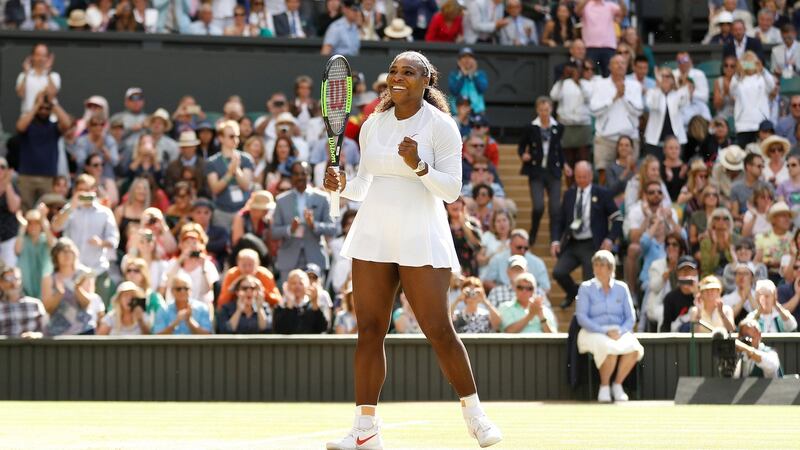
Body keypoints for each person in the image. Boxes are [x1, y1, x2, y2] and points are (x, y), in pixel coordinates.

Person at [323, 51, 502, 449]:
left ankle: (476, 416)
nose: (398, 77)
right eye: (393, 71)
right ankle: (365, 428)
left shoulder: (441, 126)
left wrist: (419, 165)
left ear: (427, 81)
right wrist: (339, 185)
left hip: (421, 233)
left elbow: (452, 190)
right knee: (369, 330)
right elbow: (364, 187)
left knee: (438, 328)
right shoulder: (372, 123)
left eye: (408, 72)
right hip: (373, 233)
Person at [551, 161, 622, 308]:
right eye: (578, 177)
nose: (581, 180)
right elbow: (559, 220)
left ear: (590, 176)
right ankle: (573, 292)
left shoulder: (602, 193)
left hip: (593, 243)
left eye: (584, 177)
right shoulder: (569, 194)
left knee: (590, 280)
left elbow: (617, 218)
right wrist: (555, 241)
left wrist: (610, 239)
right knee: (558, 272)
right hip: (573, 242)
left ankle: (586, 307)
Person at [576, 250, 643, 403]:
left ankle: (617, 384)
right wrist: (604, 331)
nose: (598, 268)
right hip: (592, 331)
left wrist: (620, 331)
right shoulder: (586, 288)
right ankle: (604, 386)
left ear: (611, 269)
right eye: (596, 265)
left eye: (602, 265)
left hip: (618, 331)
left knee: (635, 349)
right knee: (609, 348)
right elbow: (582, 317)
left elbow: (630, 317)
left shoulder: (622, 287)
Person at [51, 175, 119, 305]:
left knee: (98, 312)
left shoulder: (105, 212)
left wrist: (101, 243)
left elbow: (114, 240)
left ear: (94, 191)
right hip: (72, 273)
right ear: (75, 191)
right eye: (81, 190)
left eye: (88, 190)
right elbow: (55, 226)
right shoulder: (70, 209)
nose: (85, 193)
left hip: (97, 271)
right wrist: (72, 205)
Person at [272, 161, 335, 284]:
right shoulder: (281, 200)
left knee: (315, 297)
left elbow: (332, 228)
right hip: (289, 257)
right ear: (291, 177)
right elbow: (274, 232)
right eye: (296, 174)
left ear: (309, 175)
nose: (300, 177)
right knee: (289, 298)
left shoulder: (322, 198)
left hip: (314, 255)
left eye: (303, 173)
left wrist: (313, 224)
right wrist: (290, 229)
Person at [589, 55, 643, 185]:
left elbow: (639, 110)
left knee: (631, 176)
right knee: (603, 175)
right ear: (609, 66)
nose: (620, 66)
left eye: (623, 63)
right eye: (616, 63)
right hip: (605, 138)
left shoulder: (634, 85)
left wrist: (623, 97)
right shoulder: (599, 85)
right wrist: (614, 98)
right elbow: (594, 110)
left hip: (629, 137)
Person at [15, 89, 72, 211]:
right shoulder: (28, 125)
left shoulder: (53, 127)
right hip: (27, 176)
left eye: (47, 108)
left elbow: (67, 123)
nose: (43, 111)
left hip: (48, 176)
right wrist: (36, 105)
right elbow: (20, 126)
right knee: (25, 209)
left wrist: (53, 103)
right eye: (41, 108)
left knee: (48, 209)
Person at [518, 96, 564, 245]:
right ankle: (533, 234)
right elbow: (521, 146)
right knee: (538, 206)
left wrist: (565, 165)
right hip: (536, 171)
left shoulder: (559, 128)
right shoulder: (531, 127)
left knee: (555, 208)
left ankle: (555, 239)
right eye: (542, 109)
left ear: (551, 109)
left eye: (547, 109)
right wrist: (523, 154)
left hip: (553, 171)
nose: (544, 112)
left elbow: (559, 150)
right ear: (537, 110)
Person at [41, 238, 104, 336]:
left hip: (83, 331)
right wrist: (59, 294)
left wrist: (77, 289)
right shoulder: (49, 279)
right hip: (57, 333)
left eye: (69, 251)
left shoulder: (85, 274)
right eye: (62, 251)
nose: (66, 254)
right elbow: (48, 309)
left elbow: (87, 304)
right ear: (55, 255)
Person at [205, 120, 255, 227]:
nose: (235, 139)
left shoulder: (246, 159)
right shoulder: (212, 162)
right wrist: (229, 174)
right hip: (222, 211)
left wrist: (236, 170)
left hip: (243, 211)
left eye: (237, 136)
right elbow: (215, 189)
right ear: (221, 138)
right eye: (231, 136)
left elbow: (246, 185)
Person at [549, 62, 592, 177]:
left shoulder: (586, 84)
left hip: (582, 125)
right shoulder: (563, 83)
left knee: (583, 159)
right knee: (568, 159)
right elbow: (553, 96)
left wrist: (579, 84)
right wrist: (562, 80)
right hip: (566, 125)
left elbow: (589, 98)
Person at [730, 51, 775, 147]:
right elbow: (732, 91)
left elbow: (771, 85)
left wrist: (762, 69)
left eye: (752, 62)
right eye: (746, 63)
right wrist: (738, 72)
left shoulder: (762, 78)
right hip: (743, 123)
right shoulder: (738, 79)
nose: (749, 66)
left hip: (761, 122)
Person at [643, 68, 689, 161]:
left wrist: (683, 85)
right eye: (661, 76)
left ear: (673, 79)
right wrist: (658, 88)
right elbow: (653, 105)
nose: (664, 79)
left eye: (667, 76)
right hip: (655, 141)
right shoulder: (652, 92)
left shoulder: (677, 93)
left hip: (676, 141)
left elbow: (684, 103)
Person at [14, 206, 54, 299]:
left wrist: (43, 219)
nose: (33, 227)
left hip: (43, 285)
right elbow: (17, 250)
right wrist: (22, 227)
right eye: (30, 224)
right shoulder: (23, 239)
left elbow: (53, 244)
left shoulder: (45, 238)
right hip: (26, 286)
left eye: (36, 223)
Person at [273, 269, 328, 334]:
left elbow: (323, 328)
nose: (297, 286)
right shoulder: (281, 307)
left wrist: (315, 304)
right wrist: (289, 305)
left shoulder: (313, 305)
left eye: (301, 283)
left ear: (307, 285)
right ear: (287, 286)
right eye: (294, 283)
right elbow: (279, 329)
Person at [0, 265, 48, 337]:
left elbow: (46, 331)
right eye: (9, 279)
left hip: (32, 347)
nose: (13, 284)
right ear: (1, 283)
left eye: (16, 279)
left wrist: (35, 335)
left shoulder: (35, 304)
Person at [15, 43, 60, 114]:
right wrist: (26, 74)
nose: (41, 58)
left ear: (48, 58)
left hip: (50, 120)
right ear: (32, 56)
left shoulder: (54, 76)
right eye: (38, 55)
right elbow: (20, 94)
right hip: (28, 119)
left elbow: (52, 95)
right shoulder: (23, 75)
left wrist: (48, 73)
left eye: (44, 55)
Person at [449, 47, 488, 115]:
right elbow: (454, 91)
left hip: (477, 113)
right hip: (458, 113)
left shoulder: (480, 74)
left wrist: (473, 74)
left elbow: (482, 89)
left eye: (470, 57)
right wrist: (463, 75)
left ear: (474, 60)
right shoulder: (454, 75)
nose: (467, 60)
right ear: (459, 61)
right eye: (464, 57)